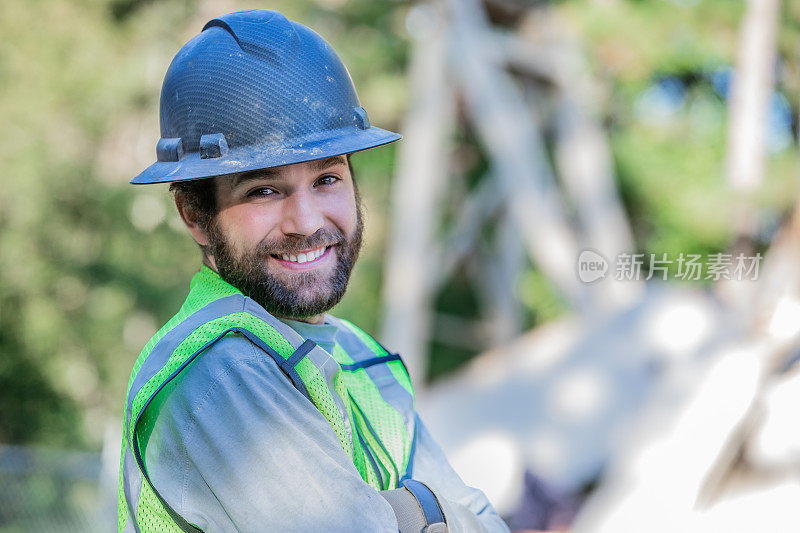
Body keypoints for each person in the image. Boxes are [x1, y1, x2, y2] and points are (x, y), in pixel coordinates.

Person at [118, 9, 509, 533]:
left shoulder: (358, 353)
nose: (306, 222)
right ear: (195, 214)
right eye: (263, 190)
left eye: (326, 179)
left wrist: (410, 516)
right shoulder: (219, 372)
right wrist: (430, 508)